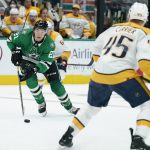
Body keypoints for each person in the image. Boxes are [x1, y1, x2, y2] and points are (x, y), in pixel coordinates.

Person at [58, 2, 150, 150]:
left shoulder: (112, 28)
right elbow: (145, 63)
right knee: (148, 104)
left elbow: (96, 52)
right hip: (123, 75)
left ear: (129, 15)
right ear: (145, 18)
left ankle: (67, 136)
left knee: (90, 108)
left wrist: (106, 68)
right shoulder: (145, 32)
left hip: (98, 74)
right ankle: (139, 139)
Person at [7, 20, 79, 117]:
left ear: (46, 32)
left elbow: (46, 64)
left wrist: (34, 69)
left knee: (56, 86)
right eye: (37, 30)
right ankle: (41, 103)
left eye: (43, 31)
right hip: (27, 60)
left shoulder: (50, 44)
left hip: (43, 63)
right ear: (33, 30)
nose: (39, 33)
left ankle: (69, 107)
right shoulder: (24, 35)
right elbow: (9, 40)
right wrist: (14, 51)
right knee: (31, 83)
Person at [37, 22, 71, 86]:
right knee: (39, 74)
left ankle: (58, 88)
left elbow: (67, 50)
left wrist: (64, 59)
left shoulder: (56, 37)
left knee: (61, 75)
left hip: (58, 58)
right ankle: (39, 87)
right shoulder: (38, 36)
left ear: (51, 29)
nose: (45, 31)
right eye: (44, 29)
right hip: (46, 57)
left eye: (48, 29)